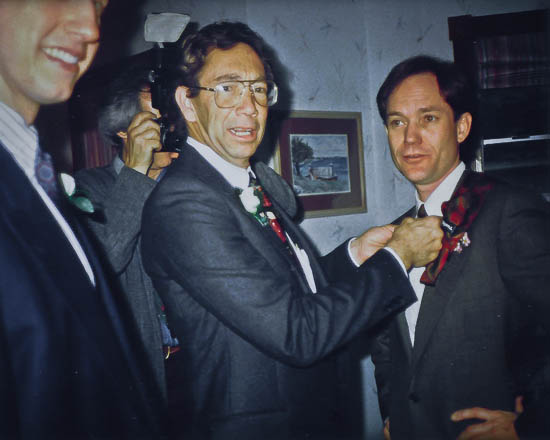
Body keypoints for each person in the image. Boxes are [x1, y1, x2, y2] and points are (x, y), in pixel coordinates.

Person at [141, 21, 443, 440]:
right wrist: (398, 258)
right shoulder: (185, 202)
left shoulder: (243, 183)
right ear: (188, 103)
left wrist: (355, 254)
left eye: (258, 89)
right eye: (227, 88)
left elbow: (281, 293)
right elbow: (296, 332)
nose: (249, 107)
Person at [0, 1, 164, 438]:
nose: (90, 26)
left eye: (99, 4)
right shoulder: (88, 187)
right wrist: (135, 172)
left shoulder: (35, 175)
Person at [371, 55, 550, 440]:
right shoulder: (394, 233)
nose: (410, 138)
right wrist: (392, 412)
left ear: (462, 126)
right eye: (397, 122)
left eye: (428, 118)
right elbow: (387, 344)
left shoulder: (510, 211)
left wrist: (532, 425)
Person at [75, 60, 180, 403]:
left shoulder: (187, 184)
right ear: (125, 132)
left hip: (205, 360)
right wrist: (136, 171)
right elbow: (105, 260)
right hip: (144, 370)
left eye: (172, 118)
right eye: (157, 120)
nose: (169, 128)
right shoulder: (88, 188)